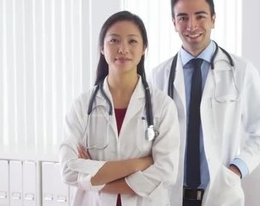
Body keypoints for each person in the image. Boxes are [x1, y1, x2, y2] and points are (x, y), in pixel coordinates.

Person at [151, 0, 260, 206]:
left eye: (200, 16)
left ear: (213, 19)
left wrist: (236, 170)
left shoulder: (241, 71)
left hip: (220, 194)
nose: (192, 25)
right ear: (174, 23)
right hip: (169, 195)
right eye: (183, 18)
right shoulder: (159, 75)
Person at [59, 11, 179, 206]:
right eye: (114, 40)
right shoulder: (82, 105)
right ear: (102, 48)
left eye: (132, 41)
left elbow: (165, 173)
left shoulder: (162, 106)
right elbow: (68, 170)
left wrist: (94, 178)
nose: (123, 49)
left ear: (144, 49)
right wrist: (138, 164)